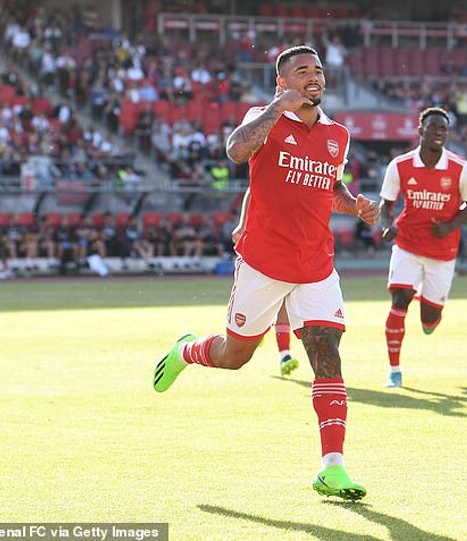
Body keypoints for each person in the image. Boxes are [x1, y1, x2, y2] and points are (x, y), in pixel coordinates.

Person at [152, 45, 377, 501]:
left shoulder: (338, 134)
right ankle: (186, 351)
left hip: (316, 264)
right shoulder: (263, 117)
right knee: (235, 356)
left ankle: (332, 467)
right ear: (281, 82)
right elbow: (236, 151)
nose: (313, 76)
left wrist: (354, 205)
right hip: (263, 262)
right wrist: (278, 108)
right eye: (302, 71)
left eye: (318, 70)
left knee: (327, 353)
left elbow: (330, 186)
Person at [379, 107, 467, 388]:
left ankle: (429, 307)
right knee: (399, 301)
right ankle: (394, 372)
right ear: (420, 131)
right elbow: (386, 204)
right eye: (433, 127)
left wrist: (451, 226)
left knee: (429, 319)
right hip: (407, 244)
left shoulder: (460, 168)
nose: (438, 132)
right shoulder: (400, 165)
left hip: (442, 251)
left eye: (443, 129)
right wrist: (387, 225)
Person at [232, 188, 299, 377]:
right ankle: (257, 330)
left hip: (290, 245)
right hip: (261, 246)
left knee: (284, 300)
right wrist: (242, 225)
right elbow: (253, 188)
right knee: (258, 303)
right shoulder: (273, 174)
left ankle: (284, 354)